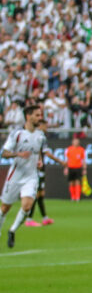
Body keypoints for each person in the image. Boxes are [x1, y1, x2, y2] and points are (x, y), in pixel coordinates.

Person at [0, 105, 47, 248]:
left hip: (31, 176)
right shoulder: (17, 134)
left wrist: (39, 161)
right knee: (5, 208)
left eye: (40, 115)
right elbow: (4, 153)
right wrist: (18, 154)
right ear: (28, 116)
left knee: (27, 206)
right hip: (15, 175)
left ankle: (12, 230)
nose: (40, 118)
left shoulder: (40, 136)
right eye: (37, 115)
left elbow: (38, 151)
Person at [25, 120, 67, 227]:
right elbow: (46, 153)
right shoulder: (39, 137)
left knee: (40, 194)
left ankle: (44, 218)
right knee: (36, 194)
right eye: (45, 125)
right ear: (40, 125)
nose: (46, 127)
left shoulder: (39, 136)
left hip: (40, 168)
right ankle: (29, 219)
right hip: (37, 168)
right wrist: (61, 161)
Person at [64, 136, 87, 202]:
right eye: (75, 141)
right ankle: (72, 197)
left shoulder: (81, 149)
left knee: (77, 181)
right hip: (70, 167)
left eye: (77, 141)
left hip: (78, 167)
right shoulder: (69, 149)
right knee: (71, 182)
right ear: (72, 142)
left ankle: (77, 197)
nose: (76, 142)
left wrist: (84, 169)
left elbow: (84, 160)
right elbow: (66, 159)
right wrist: (66, 168)